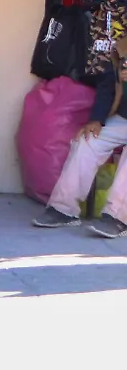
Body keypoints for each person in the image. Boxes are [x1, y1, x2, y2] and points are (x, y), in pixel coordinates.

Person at [35, 53, 127, 237]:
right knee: (87, 140)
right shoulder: (123, 46)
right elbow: (108, 83)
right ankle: (63, 209)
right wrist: (97, 119)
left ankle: (117, 217)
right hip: (123, 119)